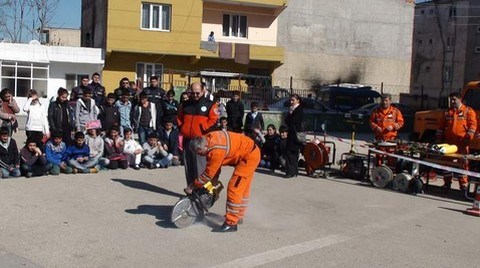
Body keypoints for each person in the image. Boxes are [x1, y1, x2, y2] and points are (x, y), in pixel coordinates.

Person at [184, 129, 261, 232]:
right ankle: (238, 216)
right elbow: (214, 165)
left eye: (199, 152)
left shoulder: (216, 150)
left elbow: (208, 174)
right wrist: (214, 180)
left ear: (203, 147)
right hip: (250, 151)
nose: (199, 155)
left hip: (248, 158)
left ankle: (231, 223)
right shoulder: (207, 139)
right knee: (243, 188)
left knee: (234, 188)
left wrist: (192, 186)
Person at [177, 82, 218, 186]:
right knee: (188, 166)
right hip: (187, 139)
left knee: (200, 167)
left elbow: (214, 120)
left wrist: (203, 129)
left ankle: (203, 191)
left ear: (203, 90)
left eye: (197, 93)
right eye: (193, 93)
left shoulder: (210, 104)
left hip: (201, 140)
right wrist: (182, 127)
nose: (195, 95)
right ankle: (191, 190)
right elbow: (179, 118)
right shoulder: (185, 104)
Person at [436, 92, 477, 190]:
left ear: (460, 99)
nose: (452, 102)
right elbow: (440, 127)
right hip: (449, 143)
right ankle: (447, 183)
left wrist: (468, 137)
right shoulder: (447, 112)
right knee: (446, 163)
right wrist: (438, 140)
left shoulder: (468, 111)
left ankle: (463, 185)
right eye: (451, 100)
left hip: (462, 143)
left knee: (462, 164)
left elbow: (473, 126)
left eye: (454, 100)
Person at [284, 94, 304, 178]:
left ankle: (291, 172)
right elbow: (287, 120)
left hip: (295, 134)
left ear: (298, 100)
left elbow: (293, 121)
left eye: (293, 100)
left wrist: (289, 119)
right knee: (291, 153)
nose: (291, 102)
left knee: (291, 153)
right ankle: (293, 171)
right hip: (292, 133)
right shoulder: (291, 109)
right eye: (291, 100)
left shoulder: (299, 109)